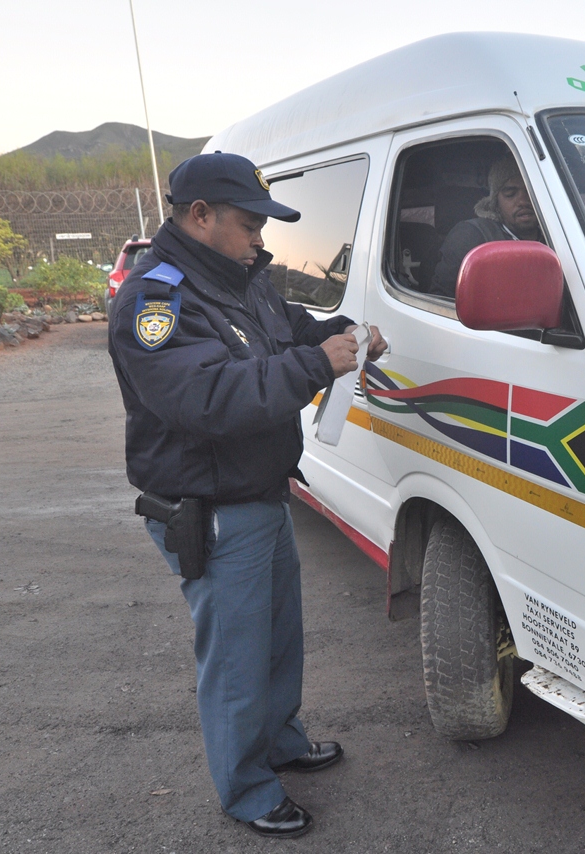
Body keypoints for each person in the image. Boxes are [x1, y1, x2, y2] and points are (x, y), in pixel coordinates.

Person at [107, 152, 387, 839]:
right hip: (212, 509)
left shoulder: (242, 280)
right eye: (250, 222)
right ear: (199, 217)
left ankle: (282, 742)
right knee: (236, 658)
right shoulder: (157, 299)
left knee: (276, 640)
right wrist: (316, 366)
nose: (261, 236)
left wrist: (339, 335)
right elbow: (203, 399)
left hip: (258, 495)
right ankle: (248, 790)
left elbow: (290, 328)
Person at [429, 155, 545, 297]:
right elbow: (442, 301)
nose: (523, 201)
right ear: (495, 202)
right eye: (510, 193)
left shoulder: (560, 237)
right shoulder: (472, 236)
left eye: (530, 191)